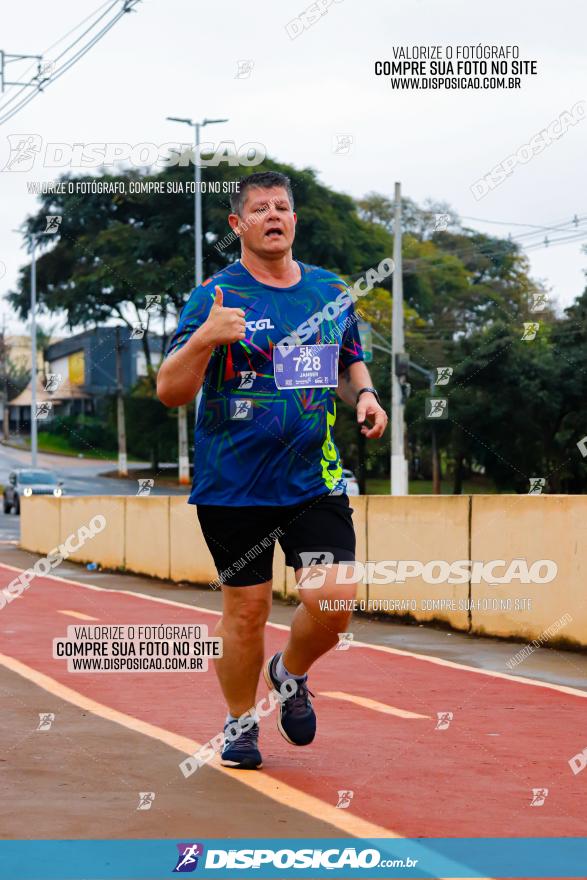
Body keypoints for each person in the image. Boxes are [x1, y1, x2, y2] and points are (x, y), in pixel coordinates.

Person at [157, 171, 388, 770]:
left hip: (314, 479)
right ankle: (239, 724)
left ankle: (290, 672)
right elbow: (170, 391)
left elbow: (345, 362)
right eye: (259, 209)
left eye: (282, 206)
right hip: (235, 485)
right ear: (238, 225)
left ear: (294, 220)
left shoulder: (329, 291)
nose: (273, 215)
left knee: (334, 600)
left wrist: (363, 396)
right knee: (247, 611)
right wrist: (204, 339)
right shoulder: (215, 296)